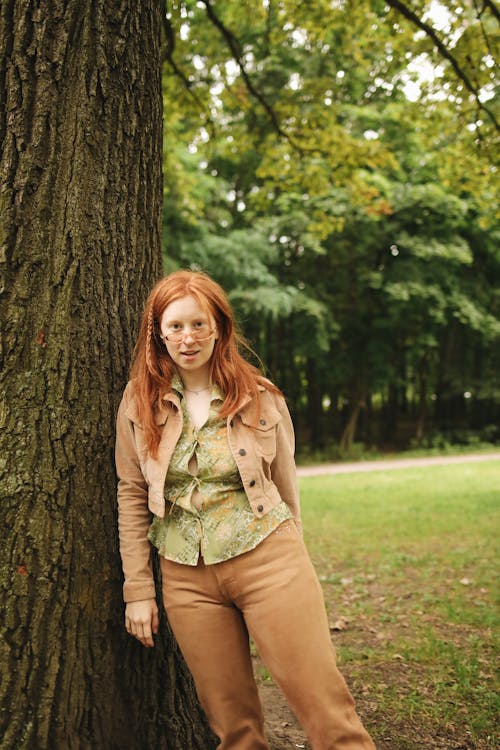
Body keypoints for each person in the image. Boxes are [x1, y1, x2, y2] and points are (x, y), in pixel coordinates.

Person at [115, 269, 376, 750]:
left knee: (329, 715)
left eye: (198, 324)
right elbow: (131, 494)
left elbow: (285, 484)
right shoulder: (138, 403)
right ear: (157, 333)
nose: (187, 337)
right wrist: (139, 589)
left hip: (269, 564)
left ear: (218, 327)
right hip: (187, 579)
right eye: (174, 326)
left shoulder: (260, 395)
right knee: (234, 731)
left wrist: (294, 553)